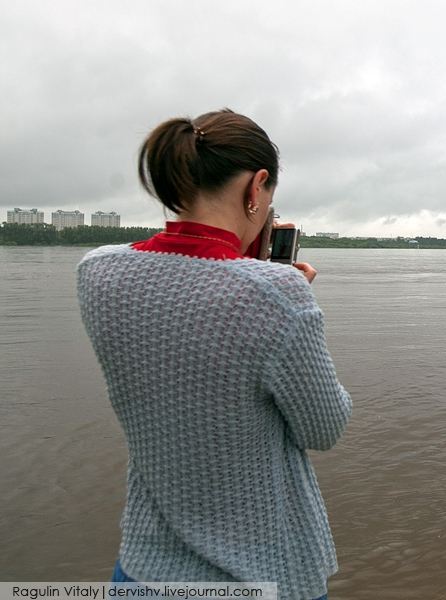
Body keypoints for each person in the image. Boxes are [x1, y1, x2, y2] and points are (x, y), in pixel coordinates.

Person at [77, 109, 352, 600]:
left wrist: (250, 273)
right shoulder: (278, 295)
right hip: (263, 578)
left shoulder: (98, 273)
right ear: (257, 187)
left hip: (143, 570)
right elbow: (324, 429)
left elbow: (186, 311)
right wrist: (289, 295)